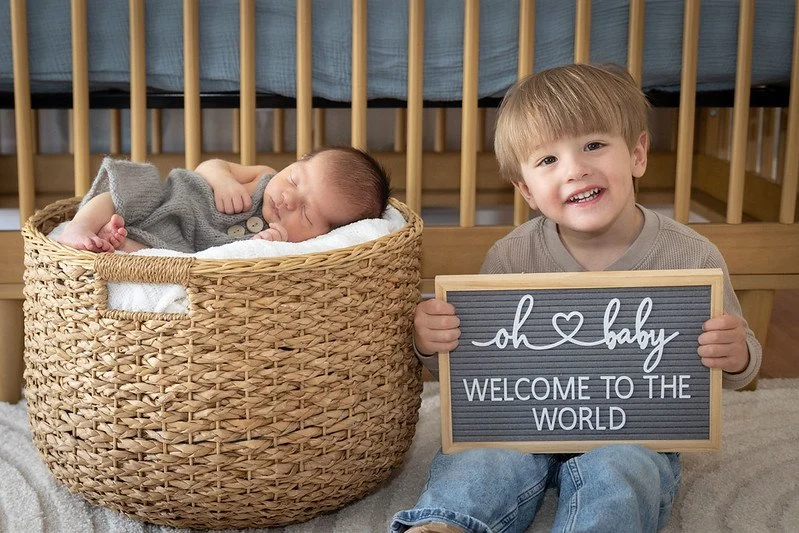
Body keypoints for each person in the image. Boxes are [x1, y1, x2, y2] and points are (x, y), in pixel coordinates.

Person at [390, 63, 762, 533]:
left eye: (593, 145)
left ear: (637, 154)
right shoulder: (511, 256)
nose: (575, 169)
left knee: (624, 471)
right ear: (526, 190)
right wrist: (432, 342)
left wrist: (735, 353)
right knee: (481, 458)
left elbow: (742, 363)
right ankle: (444, 524)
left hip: (635, 430)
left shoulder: (691, 256)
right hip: (524, 424)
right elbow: (477, 368)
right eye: (548, 160)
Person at [56, 146, 391, 253]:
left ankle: (114, 243)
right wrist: (224, 180)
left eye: (306, 213)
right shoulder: (263, 175)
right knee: (127, 191)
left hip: (178, 244)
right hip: (170, 199)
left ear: (326, 234)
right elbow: (209, 165)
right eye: (293, 179)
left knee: (157, 259)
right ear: (297, 161)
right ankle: (80, 226)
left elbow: (239, 262)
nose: (289, 198)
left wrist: (266, 246)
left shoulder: (288, 245)